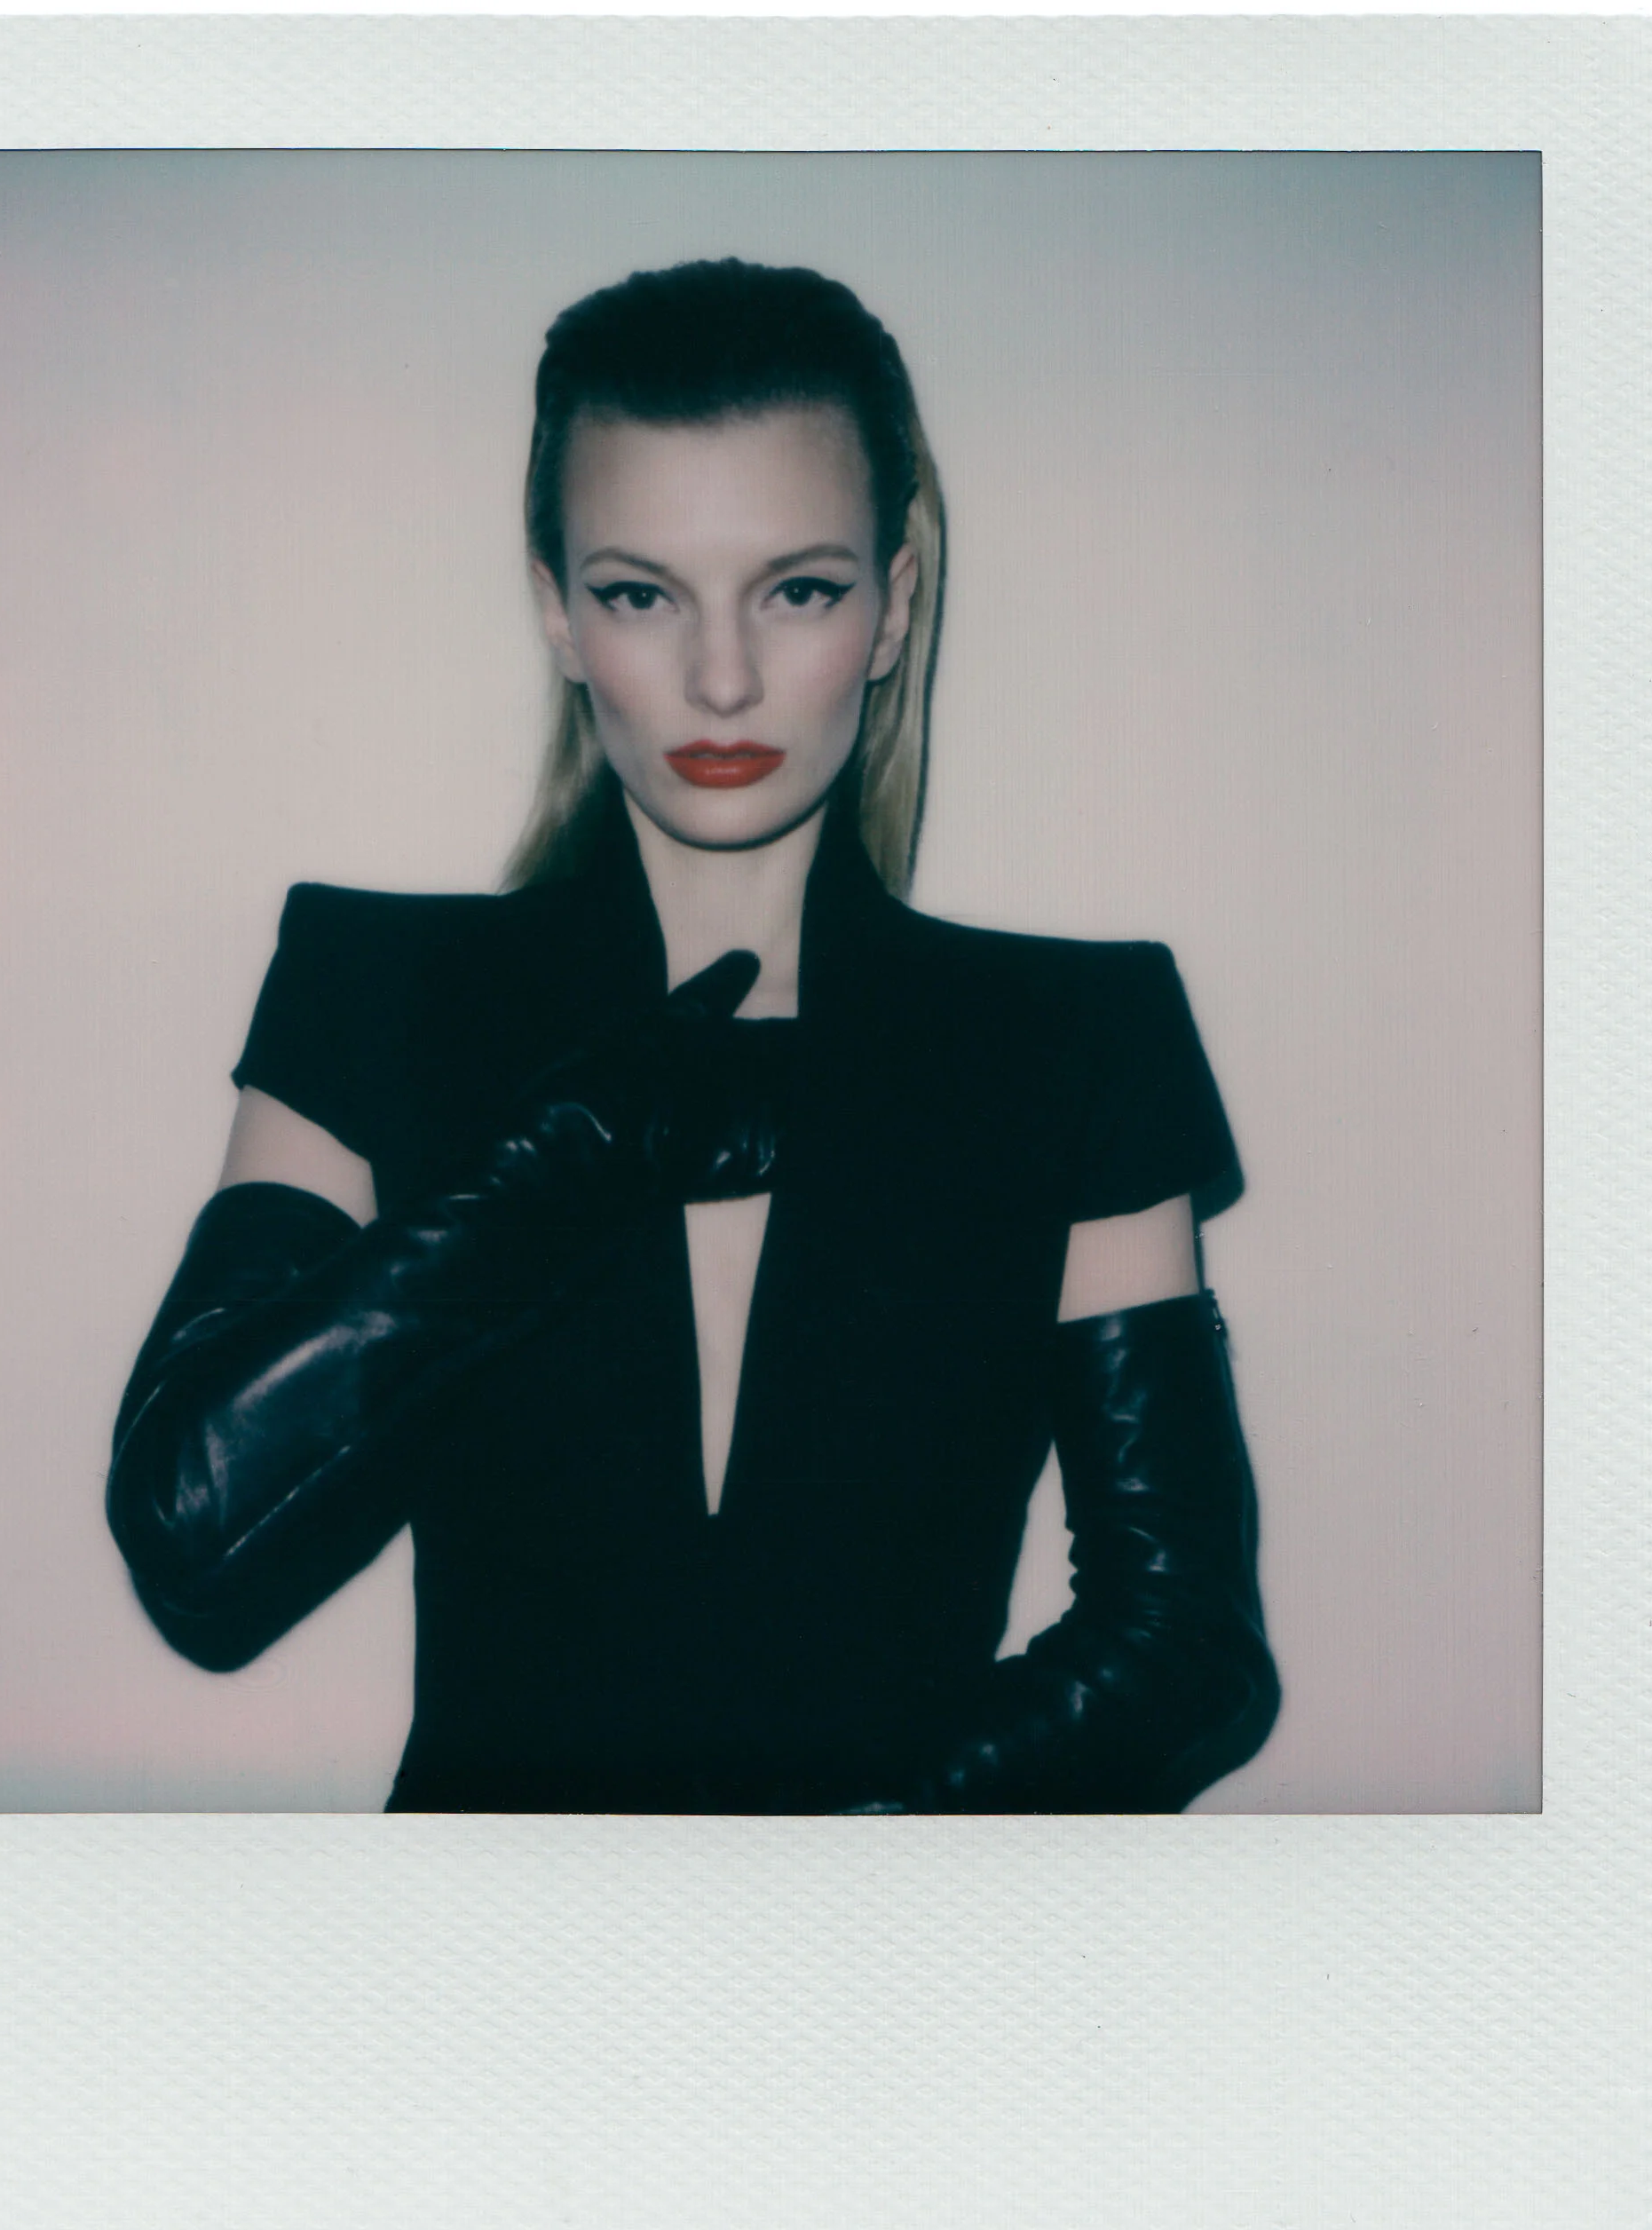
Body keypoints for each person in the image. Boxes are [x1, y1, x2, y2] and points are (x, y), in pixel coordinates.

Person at [106, 257, 1280, 1815]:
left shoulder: (1075, 1036)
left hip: (889, 1961)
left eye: (798, 589)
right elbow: (194, 1537)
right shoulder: (377, 985)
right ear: (555, 609)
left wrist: (806, 1883)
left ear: (893, 604)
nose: (721, 678)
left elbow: (1183, 1647)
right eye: (639, 592)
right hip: (475, 1951)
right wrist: (575, 1156)